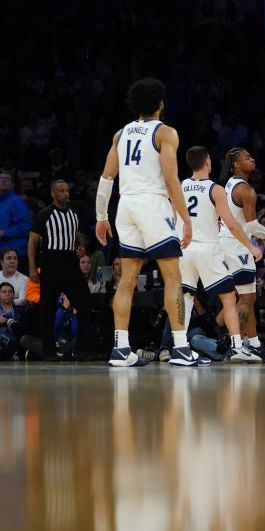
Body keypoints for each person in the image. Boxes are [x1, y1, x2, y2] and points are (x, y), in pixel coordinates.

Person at [94, 78, 201, 367]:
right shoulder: (165, 132)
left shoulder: (120, 134)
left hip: (125, 206)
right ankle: (180, 348)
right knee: (173, 277)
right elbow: (170, 180)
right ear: (161, 104)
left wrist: (101, 217)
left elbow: (106, 178)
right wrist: (185, 219)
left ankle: (120, 349)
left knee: (126, 280)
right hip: (152, 204)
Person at [180, 146, 264, 363]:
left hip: (185, 248)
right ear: (208, 162)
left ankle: (179, 348)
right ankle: (237, 347)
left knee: (185, 297)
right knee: (229, 298)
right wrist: (252, 246)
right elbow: (233, 225)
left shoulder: (181, 187)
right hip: (207, 248)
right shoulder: (215, 189)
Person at [217, 148, 265, 362]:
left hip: (227, 244)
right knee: (245, 300)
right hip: (236, 246)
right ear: (236, 164)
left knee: (248, 298)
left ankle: (253, 344)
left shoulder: (229, 184)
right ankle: (236, 344)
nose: (252, 158)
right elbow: (253, 226)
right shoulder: (246, 190)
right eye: (246, 157)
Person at [27, 180, 94, 360]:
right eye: (61, 191)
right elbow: (32, 242)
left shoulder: (74, 214)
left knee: (85, 304)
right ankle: (49, 351)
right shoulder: (44, 214)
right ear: (53, 194)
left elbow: (73, 235)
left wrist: (78, 246)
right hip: (51, 263)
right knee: (47, 310)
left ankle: (82, 349)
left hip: (71, 263)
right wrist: (33, 268)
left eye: (67, 190)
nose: (66, 193)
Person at [0, 171, 31, 271]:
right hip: (2, 252)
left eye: (7, 179)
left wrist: (2, 233)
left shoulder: (17, 202)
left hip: (16, 254)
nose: (3, 180)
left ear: (13, 184)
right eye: (1, 178)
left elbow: (26, 227)